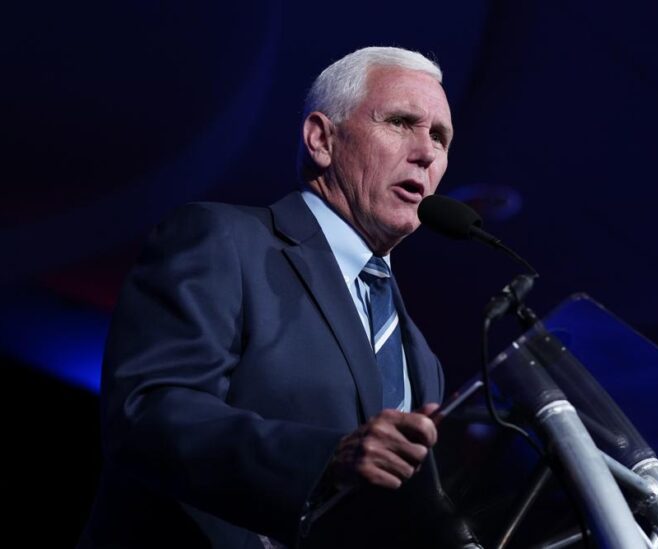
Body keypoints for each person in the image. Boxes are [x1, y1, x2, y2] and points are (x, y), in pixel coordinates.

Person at [79, 47, 476, 548]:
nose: (426, 152)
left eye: (440, 137)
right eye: (401, 123)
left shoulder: (422, 356)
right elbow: (147, 414)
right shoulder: (224, 240)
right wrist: (324, 461)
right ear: (321, 139)